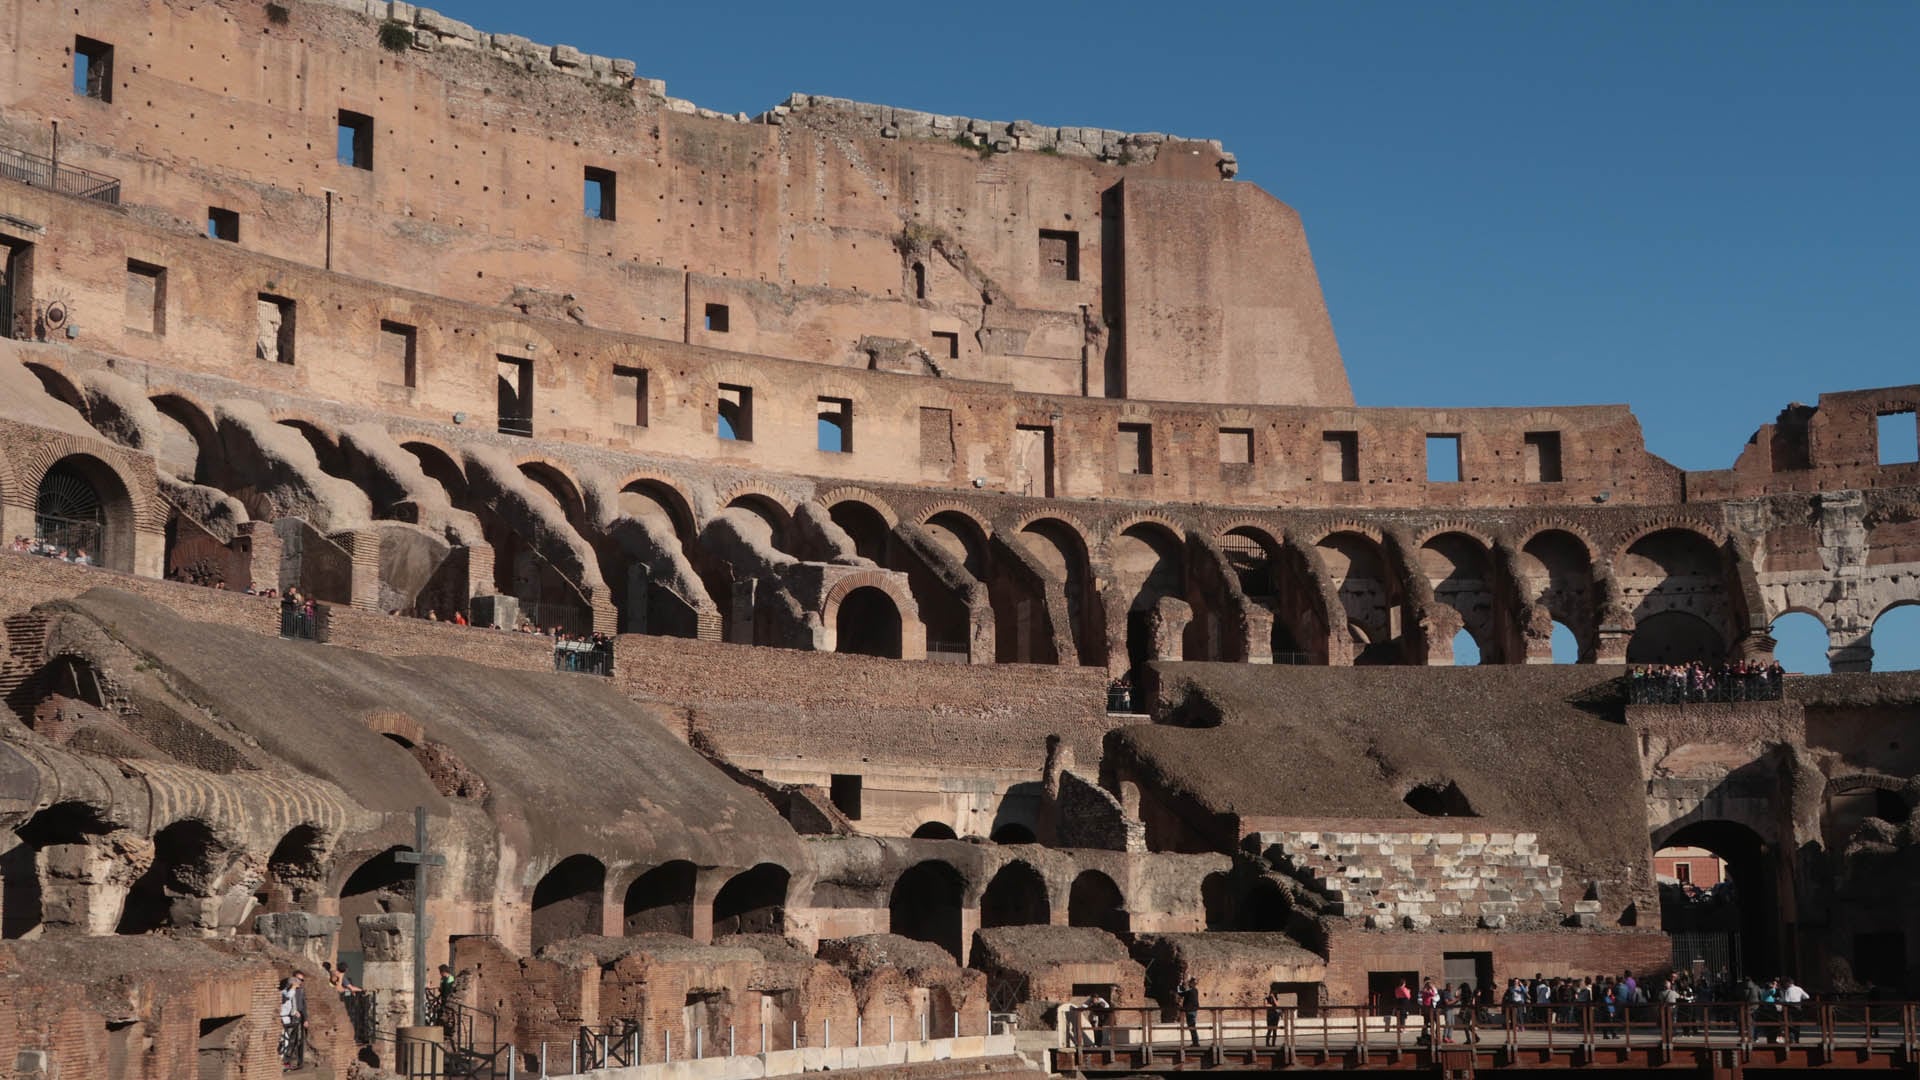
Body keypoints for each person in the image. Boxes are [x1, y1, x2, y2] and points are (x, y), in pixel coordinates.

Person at [1180, 977, 1201, 1048]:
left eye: (1189, 983)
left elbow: (1181, 994)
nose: (1188, 984)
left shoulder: (1190, 991)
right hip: (1193, 1011)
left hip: (1190, 1011)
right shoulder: (1195, 990)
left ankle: (1196, 1042)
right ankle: (1195, 1042)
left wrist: (1179, 985)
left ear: (1191, 984)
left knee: (1192, 1026)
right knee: (1192, 1026)